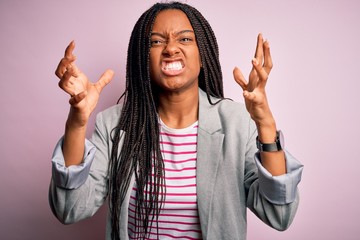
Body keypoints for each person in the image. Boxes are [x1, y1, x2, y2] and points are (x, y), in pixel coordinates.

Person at [49, 2, 303, 239]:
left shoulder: (237, 122)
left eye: (184, 39)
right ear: (142, 59)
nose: (171, 48)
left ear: (203, 54)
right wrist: (77, 122)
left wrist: (265, 124)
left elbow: (279, 214)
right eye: (156, 41)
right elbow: (70, 209)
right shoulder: (113, 124)